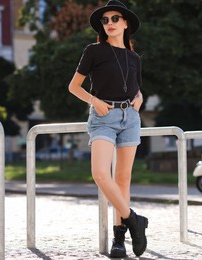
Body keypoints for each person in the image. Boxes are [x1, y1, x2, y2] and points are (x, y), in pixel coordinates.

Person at [68, 0, 147, 258]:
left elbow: (135, 88)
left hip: (130, 118)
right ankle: (134, 219)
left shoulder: (134, 57)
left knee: (123, 179)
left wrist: (140, 98)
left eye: (115, 19)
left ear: (126, 24)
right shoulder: (94, 51)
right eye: (106, 20)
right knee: (101, 173)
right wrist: (94, 101)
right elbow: (74, 87)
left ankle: (119, 240)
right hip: (103, 117)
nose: (110, 23)